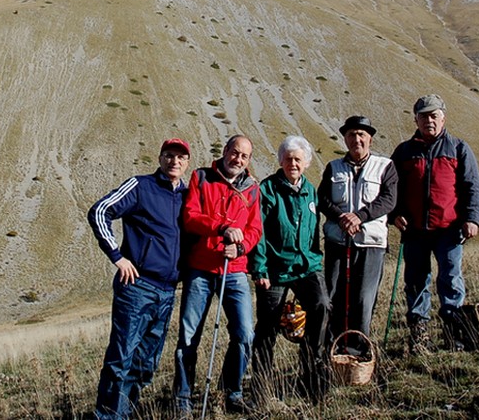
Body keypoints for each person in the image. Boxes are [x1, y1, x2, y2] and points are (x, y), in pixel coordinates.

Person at [87, 138, 191, 419]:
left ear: (187, 163)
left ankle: (125, 409)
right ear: (160, 158)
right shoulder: (141, 186)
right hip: (137, 286)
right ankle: (109, 415)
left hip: (168, 291)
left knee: (146, 362)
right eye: (169, 155)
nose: (175, 162)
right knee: (122, 357)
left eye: (181, 157)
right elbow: (99, 211)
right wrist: (117, 257)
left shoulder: (188, 195)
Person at [173, 135, 263, 415]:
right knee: (189, 336)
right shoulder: (202, 177)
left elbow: (255, 229)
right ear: (225, 151)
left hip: (234, 271)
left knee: (245, 333)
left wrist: (241, 248)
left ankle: (232, 392)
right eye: (234, 153)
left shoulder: (252, 189)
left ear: (248, 160)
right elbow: (190, 217)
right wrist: (222, 227)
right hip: (200, 267)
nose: (238, 159)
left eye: (244, 156)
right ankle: (182, 398)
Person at [391, 94, 479, 353]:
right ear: (416, 120)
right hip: (415, 230)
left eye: (434, 116)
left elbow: (471, 186)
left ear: (443, 118)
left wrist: (472, 218)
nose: (429, 121)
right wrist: (394, 214)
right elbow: (391, 188)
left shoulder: (458, 148)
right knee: (416, 281)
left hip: (449, 229)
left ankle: (454, 332)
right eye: (423, 116)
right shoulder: (404, 152)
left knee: (451, 279)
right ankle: (419, 335)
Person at [251, 136, 330, 403]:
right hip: (275, 269)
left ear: (306, 163)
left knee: (321, 307)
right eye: (288, 159)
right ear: (280, 161)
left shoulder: (310, 191)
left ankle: (312, 381)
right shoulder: (268, 190)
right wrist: (259, 268)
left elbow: (313, 232)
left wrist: (315, 260)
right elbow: (258, 232)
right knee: (266, 328)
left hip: (307, 266)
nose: (293, 163)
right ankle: (261, 392)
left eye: (298, 159)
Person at [317, 116, 398, 353]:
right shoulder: (333, 167)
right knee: (334, 295)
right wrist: (341, 216)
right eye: (352, 135)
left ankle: (359, 351)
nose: (357, 139)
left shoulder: (385, 166)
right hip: (337, 242)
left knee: (363, 299)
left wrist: (359, 216)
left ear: (370, 138)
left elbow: (388, 200)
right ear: (345, 138)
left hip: (371, 244)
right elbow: (322, 198)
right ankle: (332, 348)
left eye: (362, 134)